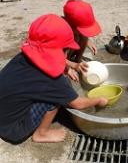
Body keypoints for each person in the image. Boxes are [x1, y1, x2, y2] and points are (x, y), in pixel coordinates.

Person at [0, 14, 108, 144]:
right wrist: (99, 100)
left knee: (44, 90)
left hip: (4, 114)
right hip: (13, 129)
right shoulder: (53, 79)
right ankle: (41, 134)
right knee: (56, 98)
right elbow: (77, 103)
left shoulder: (22, 57)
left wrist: (68, 67)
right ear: (65, 50)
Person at [63, 0, 102, 82]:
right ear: (71, 26)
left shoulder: (72, 27)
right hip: (53, 58)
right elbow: (53, 56)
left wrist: (87, 42)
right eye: (80, 31)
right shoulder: (60, 33)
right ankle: (68, 66)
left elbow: (83, 34)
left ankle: (78, 59)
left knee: (83, 36)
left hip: (66, 56)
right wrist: (70, 66)